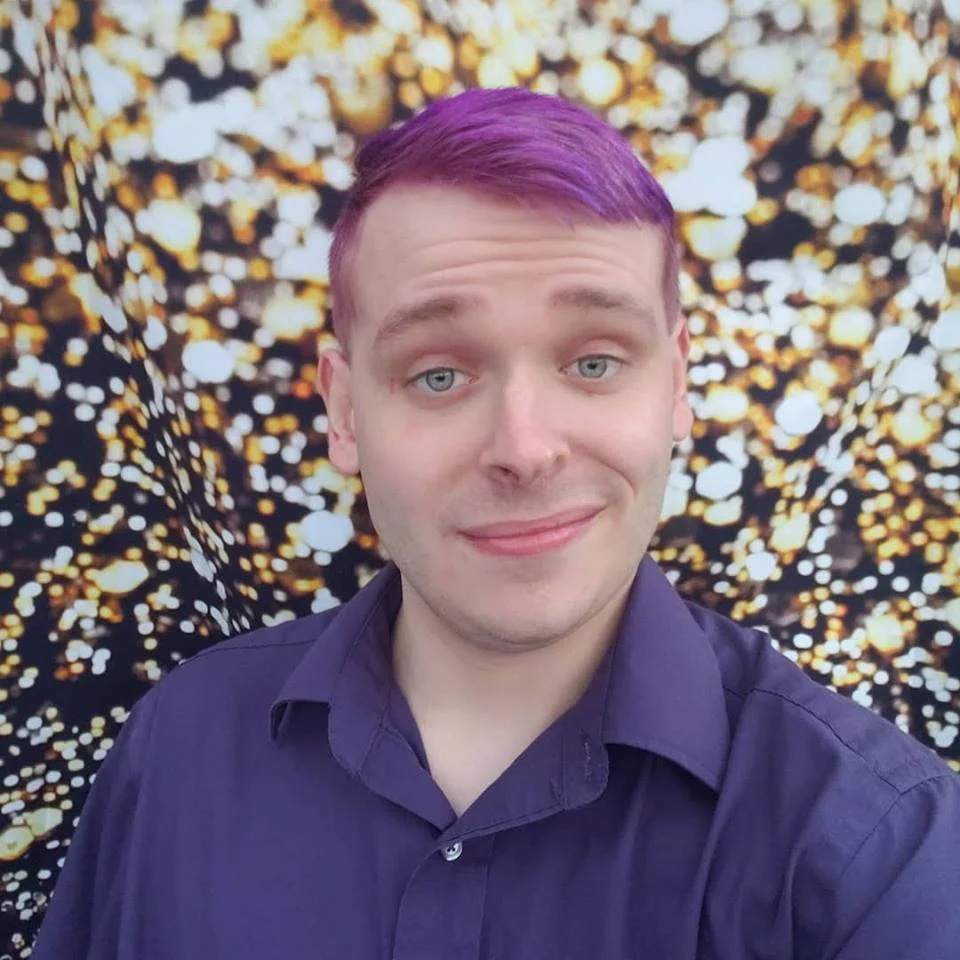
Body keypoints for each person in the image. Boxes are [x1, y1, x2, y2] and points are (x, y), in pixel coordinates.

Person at [32, 87, 959, 960]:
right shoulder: (182, 748)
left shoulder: (879, 851)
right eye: (439, 374)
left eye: (595, 362)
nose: (526, 447)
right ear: (345, 412)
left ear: (677, 381)